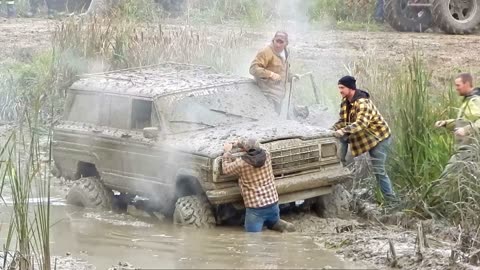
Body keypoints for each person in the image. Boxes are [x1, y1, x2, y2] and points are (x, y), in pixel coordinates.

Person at [332, 75, 396, 201]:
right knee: (342, 139)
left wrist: (343, 130)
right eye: (339, 88)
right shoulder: (346, 102)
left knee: (379, 171)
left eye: (342, 88)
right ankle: (340, 165)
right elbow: (342, 121)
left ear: (351, 88)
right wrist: (330, 130)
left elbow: (361, 123)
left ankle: (392, 201)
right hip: (366, 138)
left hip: (379, 138)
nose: (340, 90)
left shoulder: (362, 103)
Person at [222, 138, 295, 233]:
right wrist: (241, 143)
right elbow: (259, 147)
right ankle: (280, 225)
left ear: (245, 150)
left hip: (255, 209)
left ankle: (267, 226)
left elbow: (226, 169)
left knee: (253, 237)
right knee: (273, 222)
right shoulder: (267, 154)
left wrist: (226, 153)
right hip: (273, 204)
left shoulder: (241, 163)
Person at [435, 73, 480, 178]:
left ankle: (439, 194)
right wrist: (446, 123)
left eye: (458, 85)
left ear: (467, 84)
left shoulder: (475, 101)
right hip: (466, 150)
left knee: (446, 178)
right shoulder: (468, 100)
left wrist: (465, 130)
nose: (456, 88)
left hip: (469, 150)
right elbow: (464, 121)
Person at [249, 31, 295, 114]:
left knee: (276, 120)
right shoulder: (266, 52)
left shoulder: (286, 53)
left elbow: (283, 70)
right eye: (277, 41)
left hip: (279, 96)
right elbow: (253, 68)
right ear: (273, 40)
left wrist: (291, 77)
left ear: (286, 43)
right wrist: (270, 74)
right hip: (267, 95)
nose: (278, 44)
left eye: (281, 42)